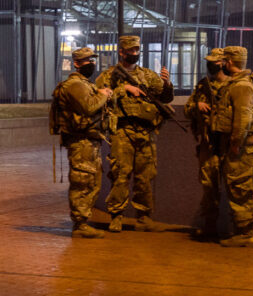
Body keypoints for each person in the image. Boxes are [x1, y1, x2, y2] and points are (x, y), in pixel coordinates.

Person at [95, 35, 173, 233]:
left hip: (146, 131)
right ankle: (116, 216)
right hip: (122, 131)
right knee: (120, 174)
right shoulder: (108, 76)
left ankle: (144, 216)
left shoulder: (147, 75)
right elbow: (99, 97)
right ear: (121, 51)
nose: (135, 54)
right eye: (130, 51)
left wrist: (167, 84)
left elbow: (165, 97)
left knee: (145, 176)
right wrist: (124, 89)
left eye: (137, 50)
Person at [213, 45, 253, 247]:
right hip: (241, 145)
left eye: (224, 61)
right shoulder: (243, 83)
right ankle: (241, 230)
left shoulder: (241, 86)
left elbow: (243, 120)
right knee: (237, 185)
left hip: (241, 147)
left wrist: (235, 144)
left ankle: (245, 233)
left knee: (239, 186)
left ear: (229, 62)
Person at [52, 47, 115, 239]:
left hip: (89, 140)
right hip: (81, 142)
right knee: (82, 181)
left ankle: (83, 221)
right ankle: (79, 224)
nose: (92, 64)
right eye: (87, 61)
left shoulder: (85, 84)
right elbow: (89, 107)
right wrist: (103, 94)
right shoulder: (74, 85)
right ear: (77, 63)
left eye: (93, 60)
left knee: (92, 181)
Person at [183, 47, 227, 240]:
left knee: (236, 187)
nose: (211, 65)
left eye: (215, 62)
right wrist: (197, 106)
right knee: (209, 186)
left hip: (228, 143)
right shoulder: (203, 85)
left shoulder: (234, 85)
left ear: (224, 63)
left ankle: (240, 230)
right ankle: (210, 226)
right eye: (209, 61)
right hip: (208, 144)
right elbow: (187, 109)